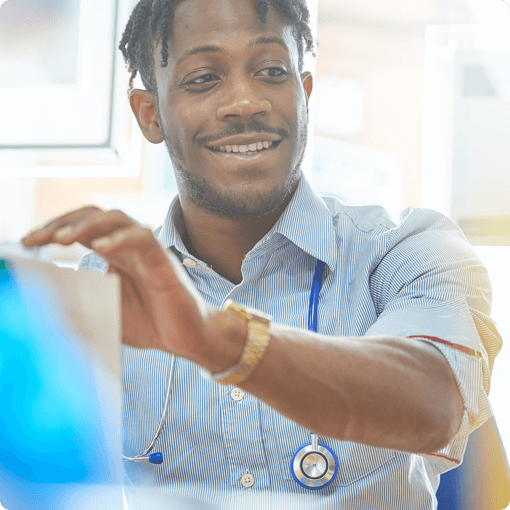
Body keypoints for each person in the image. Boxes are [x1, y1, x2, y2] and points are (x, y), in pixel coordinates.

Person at [21, 0, 502, 508]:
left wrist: (217, 340)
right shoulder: (105, 286)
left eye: (272, 71)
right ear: (149, 114)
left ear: (305, 93)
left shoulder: (409, 248)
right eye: (203, 78)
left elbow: (434, 402)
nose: (244, 102)